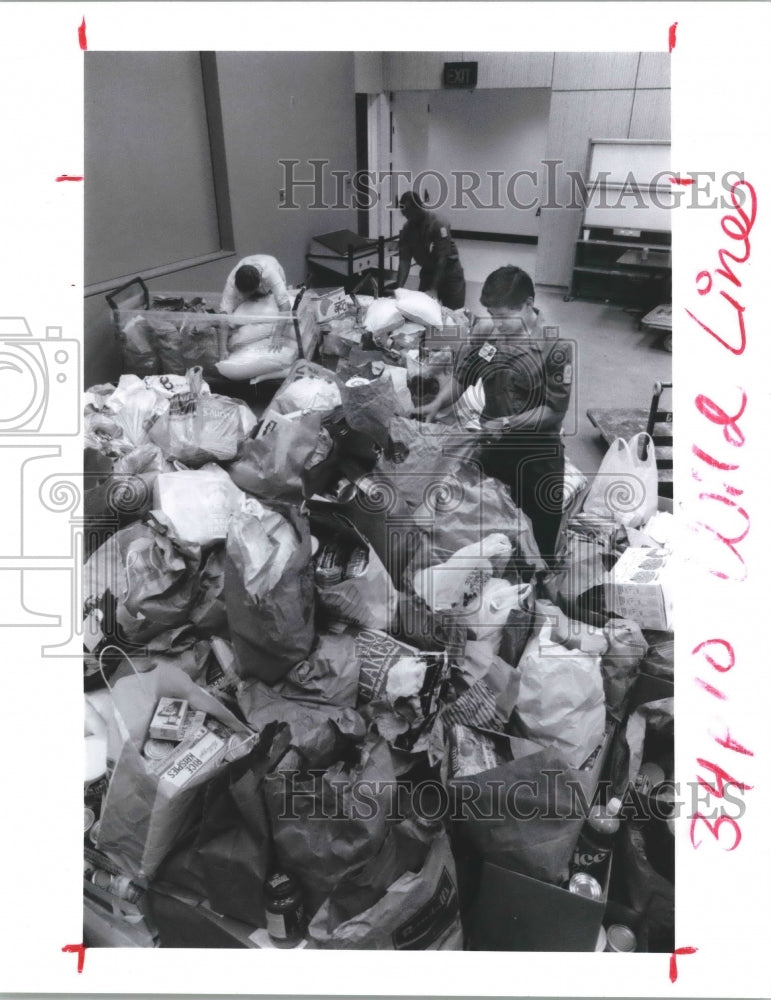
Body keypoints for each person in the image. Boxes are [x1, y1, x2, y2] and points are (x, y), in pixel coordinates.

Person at [415, 265, 573, 559]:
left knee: (541, 536)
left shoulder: (555, 346)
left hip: (538, 457)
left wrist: (508, 423)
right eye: (491, 315)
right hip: (494, 450)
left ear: (528, 305)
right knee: (490, 524)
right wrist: (438, 403)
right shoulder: (486, 333)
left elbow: (554, 410)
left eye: (503, 317)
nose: (496, 324)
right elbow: (463, 377)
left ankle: (540, 588)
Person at [395, 191, 466, 309]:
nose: (409, 218)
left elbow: (442, 259)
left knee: (454, 315)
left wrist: (433, 289)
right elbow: (404, 262)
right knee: (422, 311)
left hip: (450, 274)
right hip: (428, 274)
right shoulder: (408, 230)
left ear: (419, 208)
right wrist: (399, 289)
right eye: (406, 215)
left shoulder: (438, 223)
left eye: (411, 214)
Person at [220, 254, 293, 351]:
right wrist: (222, 348)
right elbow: (224, 315)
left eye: (249, 293)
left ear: (259, 285)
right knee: (241, 312)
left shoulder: (271, 274)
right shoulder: (232, 281)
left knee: (275, 305)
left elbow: (285, 306)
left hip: (272, 266)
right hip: (251, 276)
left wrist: (277, 335)